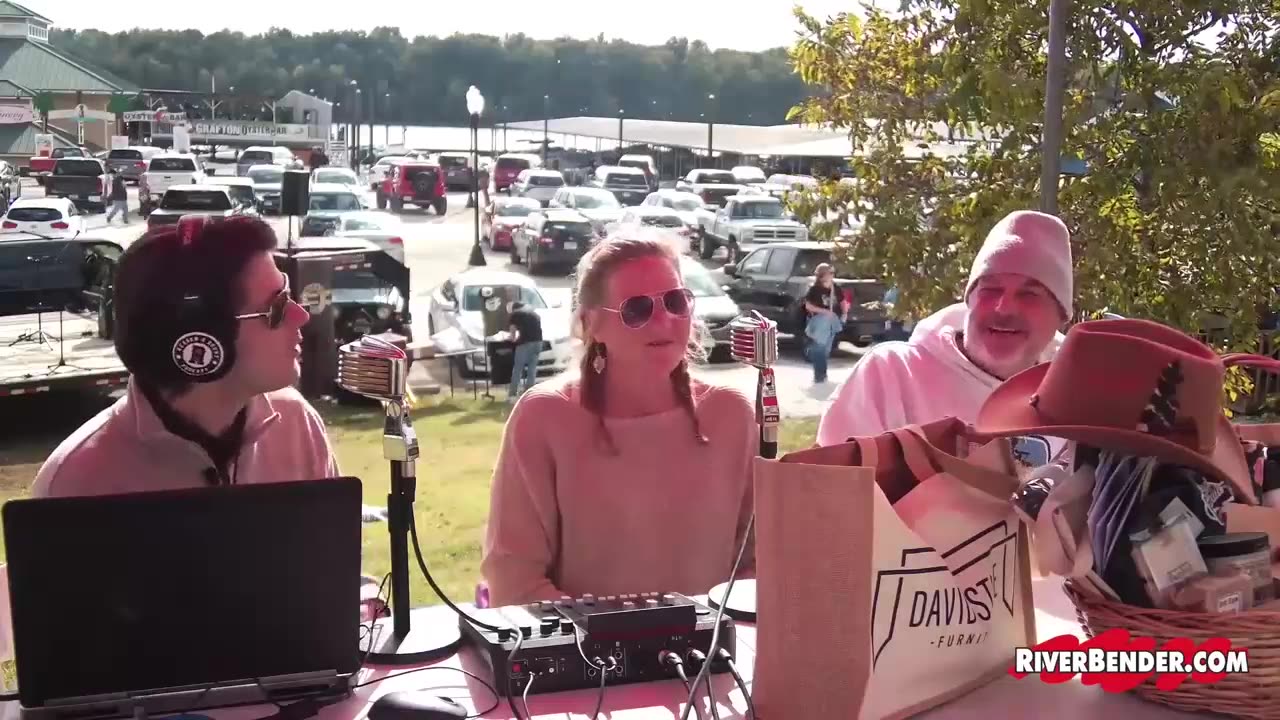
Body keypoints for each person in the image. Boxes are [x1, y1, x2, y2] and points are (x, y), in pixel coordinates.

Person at [481, 232, 757, 606]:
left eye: (676, 301)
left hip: (712, 643)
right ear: (590, 324)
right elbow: (514, 580)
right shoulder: (543, 417)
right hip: (583, 645)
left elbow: (760, 563)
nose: (664, 320)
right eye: (637, 309)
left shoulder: (732, 414)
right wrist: (624, 637)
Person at [32, 216, 340, 498]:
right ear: (201, 339)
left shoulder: (297, 424)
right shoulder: (77, 481)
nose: (301, 316)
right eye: (276, 308)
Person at [816, 209, 1073, 446]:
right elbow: (830, 477)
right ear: (969, 300)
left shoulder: (1076, 398)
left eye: (1029, 294)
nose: (1003, 308)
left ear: (1061, 314)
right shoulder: (892, 375)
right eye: (991, 289)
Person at [803, 263, 848, 384]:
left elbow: (843, 302)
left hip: (832, 322)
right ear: (822, 275)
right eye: (830, 273)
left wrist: (844, 314)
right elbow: (808, 306)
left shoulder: (835, 288)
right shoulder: (814, 290)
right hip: (819, 322)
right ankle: (819, 375)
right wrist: (825, 312)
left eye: (833, 273)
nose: (832, 275)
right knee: (820, 348)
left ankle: (821, 373)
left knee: (826, 350)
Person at [506, 300, 543, 402]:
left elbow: (513, 333)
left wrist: (511, 338)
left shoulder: (515, 314)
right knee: (532, 369)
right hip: (538, 342)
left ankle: (512, 395)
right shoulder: (533, 313)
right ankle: (529, 394)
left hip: (526, 343)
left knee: (518, 369)